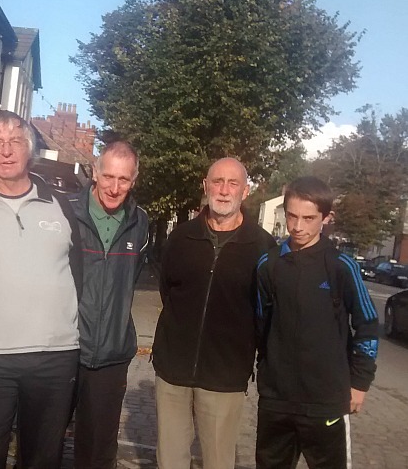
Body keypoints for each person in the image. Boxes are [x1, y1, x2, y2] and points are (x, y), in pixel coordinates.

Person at [0, 110, 82, 469]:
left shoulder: (59, 206)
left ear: (30, 150)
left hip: (54, 355)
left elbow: (75, 273)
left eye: (16, 142)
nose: (6, 151)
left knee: (42, 458)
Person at [152, 157, 276, 469]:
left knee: (219, 461)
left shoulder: (263, 246)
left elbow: (266, 311)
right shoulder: (181, 238)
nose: (223, 190)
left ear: (245, 191)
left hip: (225, 376)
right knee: (170, 460)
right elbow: (168, 291)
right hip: (173, 370)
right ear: (205, 187)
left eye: (232, 183)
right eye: (217, 182)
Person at [255, 176, 379, 468]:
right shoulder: (268, 265)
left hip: (326, 401)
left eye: (309, 218)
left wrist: (360, 383)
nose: (298, 226)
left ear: (326, 218)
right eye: (292, 216)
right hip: (277, 401)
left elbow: (368, 325)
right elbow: (260, 324)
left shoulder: (341, 267)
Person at [69, 141, 149, 469]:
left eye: (124, 180)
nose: (115, 188)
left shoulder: (140, 223)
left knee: (99, 452)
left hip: (112, 355)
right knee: (42, 441)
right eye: (108, 176)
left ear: (135, 180)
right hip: (64, 346)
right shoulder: (66, 211)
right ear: (94, 171)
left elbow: (131, 279)